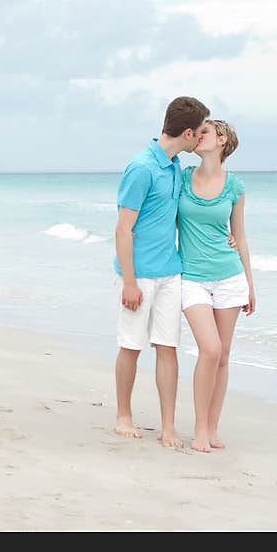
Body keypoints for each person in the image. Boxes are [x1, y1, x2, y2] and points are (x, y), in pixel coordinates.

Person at [113, 96, 210, 448]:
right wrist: (128, 281)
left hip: (171, 271)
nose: (201, 139)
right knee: (131, 346)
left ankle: (168, 426)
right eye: (199, 133)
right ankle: (124, 415)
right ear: (187, 133)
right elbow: (123, 229)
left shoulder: (174, 168)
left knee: (167, 347)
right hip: (137, 274)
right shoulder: (141, 168)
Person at [178, 119, 255, 453]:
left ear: (221, 140)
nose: (197, 136)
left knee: (222, 356)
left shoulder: (234, 186)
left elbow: (240, 236)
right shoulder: (181, 179)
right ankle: (198, 428)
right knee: (209, 349)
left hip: (229, 276)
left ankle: (212, 428)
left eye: (204, 132)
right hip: (191, 277)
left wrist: (251, 285)